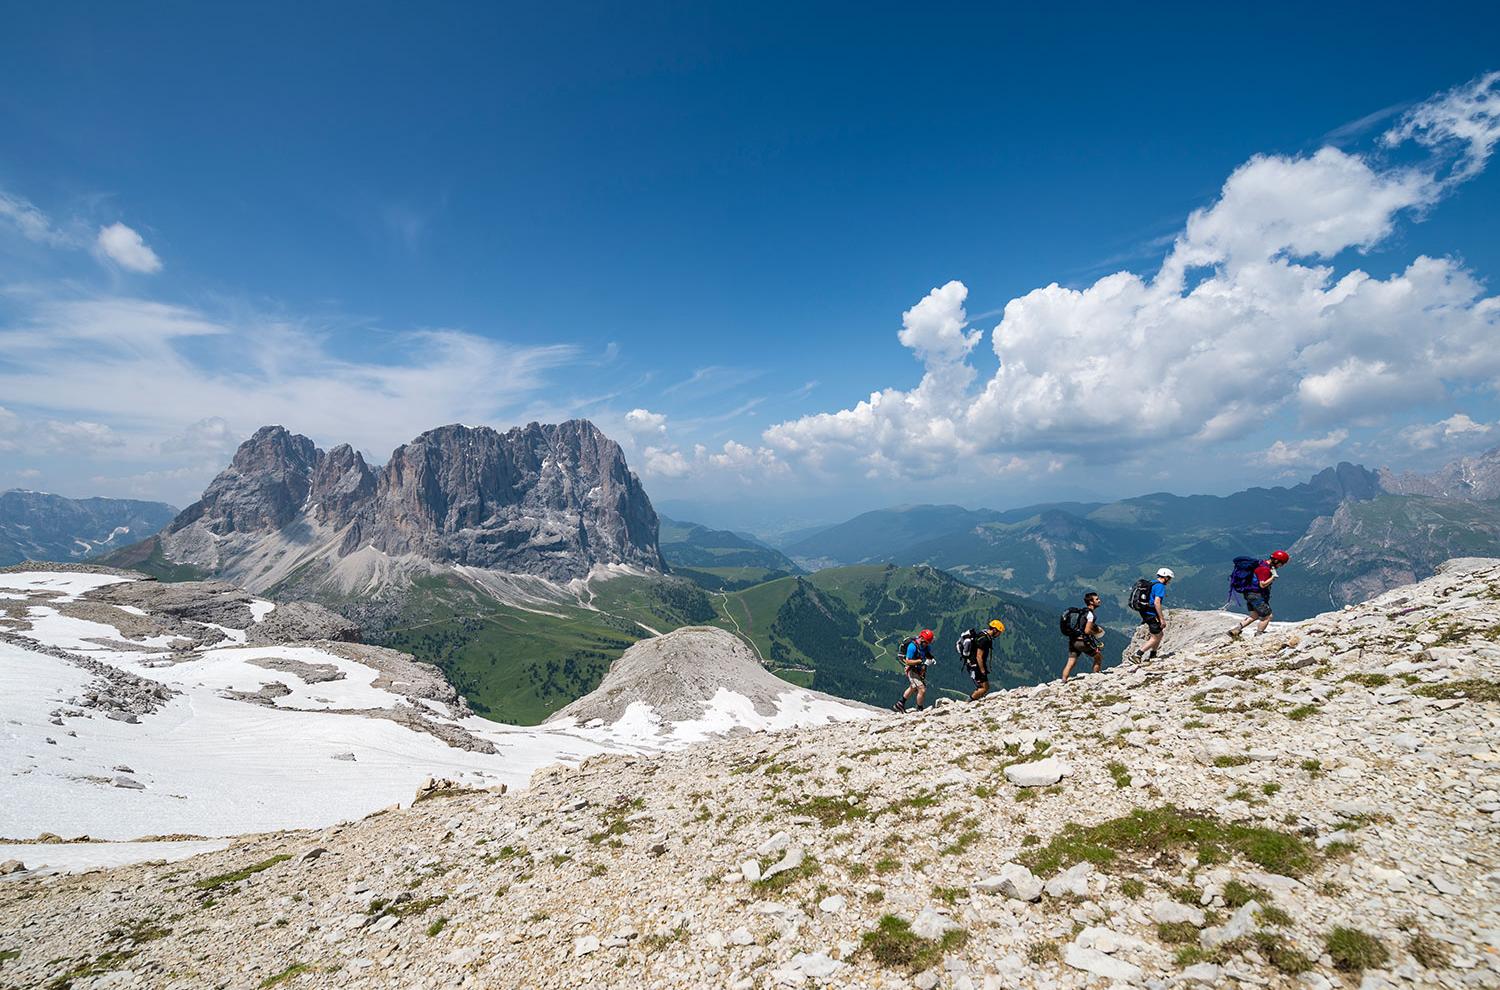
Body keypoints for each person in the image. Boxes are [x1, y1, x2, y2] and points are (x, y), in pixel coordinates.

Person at [1228, 550, 1290, 639]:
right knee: (1267, 616)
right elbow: (1262, 584)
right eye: (1282, 563)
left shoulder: (1262, 564)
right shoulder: (1264, 569)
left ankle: (1235, 630)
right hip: (1256, 595)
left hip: (1250, 594)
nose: (1281, 566)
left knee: (1254, 615)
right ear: (1276, 561)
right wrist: (1273, 577)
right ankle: (1259, 635)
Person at [1061, 591, 1105, 683]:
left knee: (1071, 662)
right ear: (1091, 602)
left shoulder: (1082, 611)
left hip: (1073, 640)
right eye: (1097, 599)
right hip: (1082, 642)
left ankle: (1064, 680)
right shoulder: (1090, 615)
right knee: (1098, 657)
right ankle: (1096, 677)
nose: (1099, 600)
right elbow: (1087, 630)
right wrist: (1096, 632)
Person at [1132, 567, 1173, 661]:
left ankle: (1153, 654)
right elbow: (1157, 602)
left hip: (1145, 611)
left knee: (1160, 634)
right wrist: (1161, 618)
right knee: (1156, 636)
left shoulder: (1152, 582)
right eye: (1169, 578)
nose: (1169, 581)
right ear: (1165, 577)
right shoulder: (1160, 586)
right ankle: (1137, 655)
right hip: (1150, 613)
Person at [961, 619, 1006, 702]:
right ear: (995, 630)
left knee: (983, 686)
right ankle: (967, 703)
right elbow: (979, 656)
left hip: (973, 663)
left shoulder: (983, 634)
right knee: (984, 687)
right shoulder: (984, 640)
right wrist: (982, 670)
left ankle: (972, 701)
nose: (999, 634)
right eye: (999, 632)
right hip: (976, 665)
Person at [893, 629, 935, 712]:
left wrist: (930, 659)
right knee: (922, 689)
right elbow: (908, 661)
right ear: (922, 639)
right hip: (911, 669)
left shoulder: (926, 646)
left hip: (918, 669)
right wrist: (921, 661)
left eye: (928, 642)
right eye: (926, 642)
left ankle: (900, 704)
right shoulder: (912, 647)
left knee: (913, 687)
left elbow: (927, 655)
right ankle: (920, 708)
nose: (927, 644)